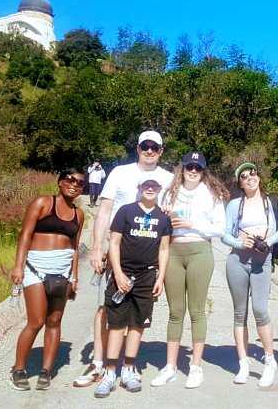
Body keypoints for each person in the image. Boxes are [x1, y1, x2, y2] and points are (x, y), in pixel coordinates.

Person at [76, 130, 173, 388]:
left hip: (147, 258)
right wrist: (97, 247)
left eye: (155, 147)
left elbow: (172, 217)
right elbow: (105, 209)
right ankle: (99, 364)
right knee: (105, 308)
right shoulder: (120, 172)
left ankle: (127, 366)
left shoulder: (169, 178)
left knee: (138, 316)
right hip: (116, 251)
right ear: (138, 148)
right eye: (145, 146)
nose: (150, 151)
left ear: (161, 151)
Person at [150, 151, 229, 389]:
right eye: (189, 167)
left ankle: (195, 366)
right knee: (175, 311)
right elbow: (159, 219)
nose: (193, 171)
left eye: (197, 168)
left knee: (196, 310)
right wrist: (165, 217)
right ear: (182, 169)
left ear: (203, 171)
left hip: (199, 252)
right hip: (173, 251)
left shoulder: (211, 194)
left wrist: (192, 224)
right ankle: (171, 366)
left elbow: (220, 229)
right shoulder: (170, 192)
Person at [94, 176, 172, 398]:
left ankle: (129, 368)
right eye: (146, 186)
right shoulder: (126, 211)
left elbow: (164, 250)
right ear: (139, 188)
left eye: (154, 186)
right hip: (123, 274)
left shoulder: (162, 218)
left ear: (159, 190)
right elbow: (115, 243)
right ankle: (109, 372)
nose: (150, 189)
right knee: (116, 323)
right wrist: (117, 273)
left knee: (138, 324)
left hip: (147, 276)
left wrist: (161, 278)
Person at [9, 169, 86, 391]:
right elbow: (25, 234)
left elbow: (75, 247)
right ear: (60, 182)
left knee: (54, 321)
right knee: (36, 321)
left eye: (80, 183)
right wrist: (18, 266)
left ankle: (46, 371)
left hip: (61, 273)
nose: (74, 185)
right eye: (70, 180)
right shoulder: (42, 202)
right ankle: (19, 369)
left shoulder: (79, 214)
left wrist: (74, 277)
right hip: (35, 269)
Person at [220, 162, 278, 387]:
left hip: (262, 261)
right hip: (237, 261)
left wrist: (267, 241)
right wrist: (240, 242)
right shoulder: (233, 205)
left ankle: (270, 360)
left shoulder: (271, 202)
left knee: (260, 309)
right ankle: (243, 363)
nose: (250, 178)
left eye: (253, 174)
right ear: (240, 183)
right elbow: (224, 234)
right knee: (240, 313)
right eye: (245, 176)